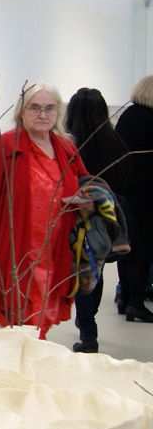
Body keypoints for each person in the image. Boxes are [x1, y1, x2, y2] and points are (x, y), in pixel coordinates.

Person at [0, 82, 90, 339]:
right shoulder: (5, 147)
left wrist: (84, 200)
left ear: (58, 112)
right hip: (17, 253)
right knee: (22, 323)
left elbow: (85, 187)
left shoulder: (66, 149)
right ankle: (20, 372)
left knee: (39, 320)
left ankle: (28, 369)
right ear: (22, 111)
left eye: (49, 108)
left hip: (55, 252)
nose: (43, 115)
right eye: (35, 108)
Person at [65, 87, 130, 351]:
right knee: (97, 270)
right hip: (105, 220)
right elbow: (123, 182)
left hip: (76, 218)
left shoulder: (69, 145)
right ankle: (87, 324)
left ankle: (87, 330)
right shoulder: (115, 143)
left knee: (82, 270)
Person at [114, 75, 153, 322]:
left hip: (126, 187)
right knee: (143, 248)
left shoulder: (128, 116)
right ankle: (136, 304)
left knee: (127, 246)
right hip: (149, 190)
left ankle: (126, 299)